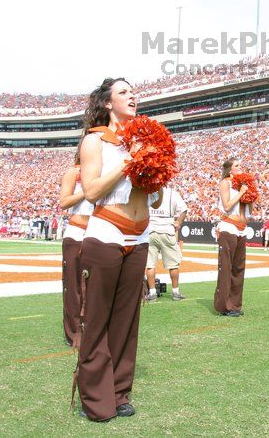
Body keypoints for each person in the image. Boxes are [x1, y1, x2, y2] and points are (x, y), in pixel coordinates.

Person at [74, 78, 164, 422]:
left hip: (140, 237)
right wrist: (129, 162)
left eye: (133, 92)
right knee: (97, 321)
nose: (132, 97)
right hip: (107, 233)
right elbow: (93, 191)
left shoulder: (146, 140)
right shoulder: (95, 141)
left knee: (127, 321)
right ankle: (95, 398)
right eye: (123, 92)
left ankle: (119, 392)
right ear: (108, 103)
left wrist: (156, 175)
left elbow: (154, 198)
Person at [59, 154, 94, 347]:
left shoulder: (104, 171)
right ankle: (73, 333)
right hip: (76, 232)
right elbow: (64, 202)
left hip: (99, 233)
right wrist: (87, 191)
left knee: (93, 287)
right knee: (73, 286)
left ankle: (91, 330)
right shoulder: (74, 172)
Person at [214, 158, 250, 317]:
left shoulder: (243, 185)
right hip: (228, 226)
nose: (240, 168)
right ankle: (224, 306)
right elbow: (227, 206)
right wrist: (241, 193)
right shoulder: (225, 183)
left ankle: (235, 305)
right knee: (227, 268)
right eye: (237, 166)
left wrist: (250, 194)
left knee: (239, 269)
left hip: (242, 229)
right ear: (229, 170)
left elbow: (251, 209)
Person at [145, 187, 188, 302]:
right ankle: (175, 292)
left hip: (150, 229)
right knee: (173, 264)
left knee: (150, 264)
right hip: (167, 229)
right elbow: (184, 209)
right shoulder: (172, 193)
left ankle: (152, 293)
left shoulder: (148, 190)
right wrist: (178, 222)